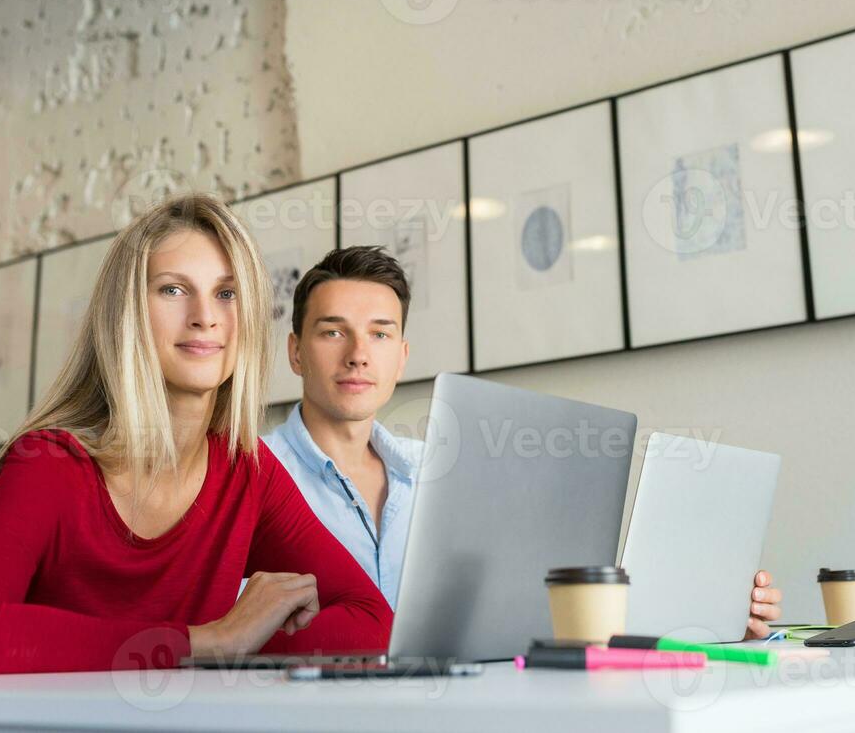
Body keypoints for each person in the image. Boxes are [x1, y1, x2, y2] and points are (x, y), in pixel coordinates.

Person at [0, 196, 391, 676]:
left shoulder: (245, 469)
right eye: (172, 290)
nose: (204, 316)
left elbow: (374, 621)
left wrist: (232, 644)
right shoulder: (48, 463)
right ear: (126, 313)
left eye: (226, 294)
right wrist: (208, 640)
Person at [265, 245, 785, 637]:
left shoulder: (442, 472)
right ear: (295, 352)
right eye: (333, 332)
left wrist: (708, 623)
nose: (359, 353)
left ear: (401, 356)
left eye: (379, 334)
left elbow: (523, 607)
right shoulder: (247, 474)